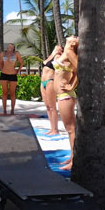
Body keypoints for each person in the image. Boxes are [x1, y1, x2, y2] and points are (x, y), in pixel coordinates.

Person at [53, 36, 79, 171]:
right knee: (70, 130)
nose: (73, 36)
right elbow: (74, 71)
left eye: (75, 37)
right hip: (62, 95)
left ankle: (74, 160)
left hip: (65, 95)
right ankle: (72, 156)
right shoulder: (65, 52)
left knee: (71, 129)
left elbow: (80, 69)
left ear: (74, 43)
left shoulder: (69, 53)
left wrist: (71, 87)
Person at [40, 45, 62, 135]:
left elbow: (61, 70)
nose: (57, 46)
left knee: (52, 107)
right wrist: (53, 53)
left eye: (59, 46)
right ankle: (52, 128)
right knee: (48, 107)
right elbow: (46, 62)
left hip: (50, 81)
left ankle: (55, 129)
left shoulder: (58, 56)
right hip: (43, 82)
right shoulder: (51, 56)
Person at [0, 43, 23, 115]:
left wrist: (18, 71)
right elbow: (0, 62)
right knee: (4, 92)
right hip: (4, 74)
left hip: (13, 74)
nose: (9, 47)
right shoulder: (3, 54)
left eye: (11, 46)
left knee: (12, 93)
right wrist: (2, 69)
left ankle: (12, 110)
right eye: (8, 46)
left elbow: (21, 63)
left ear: (13, 48)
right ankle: (4, 110)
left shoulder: (16, 54)